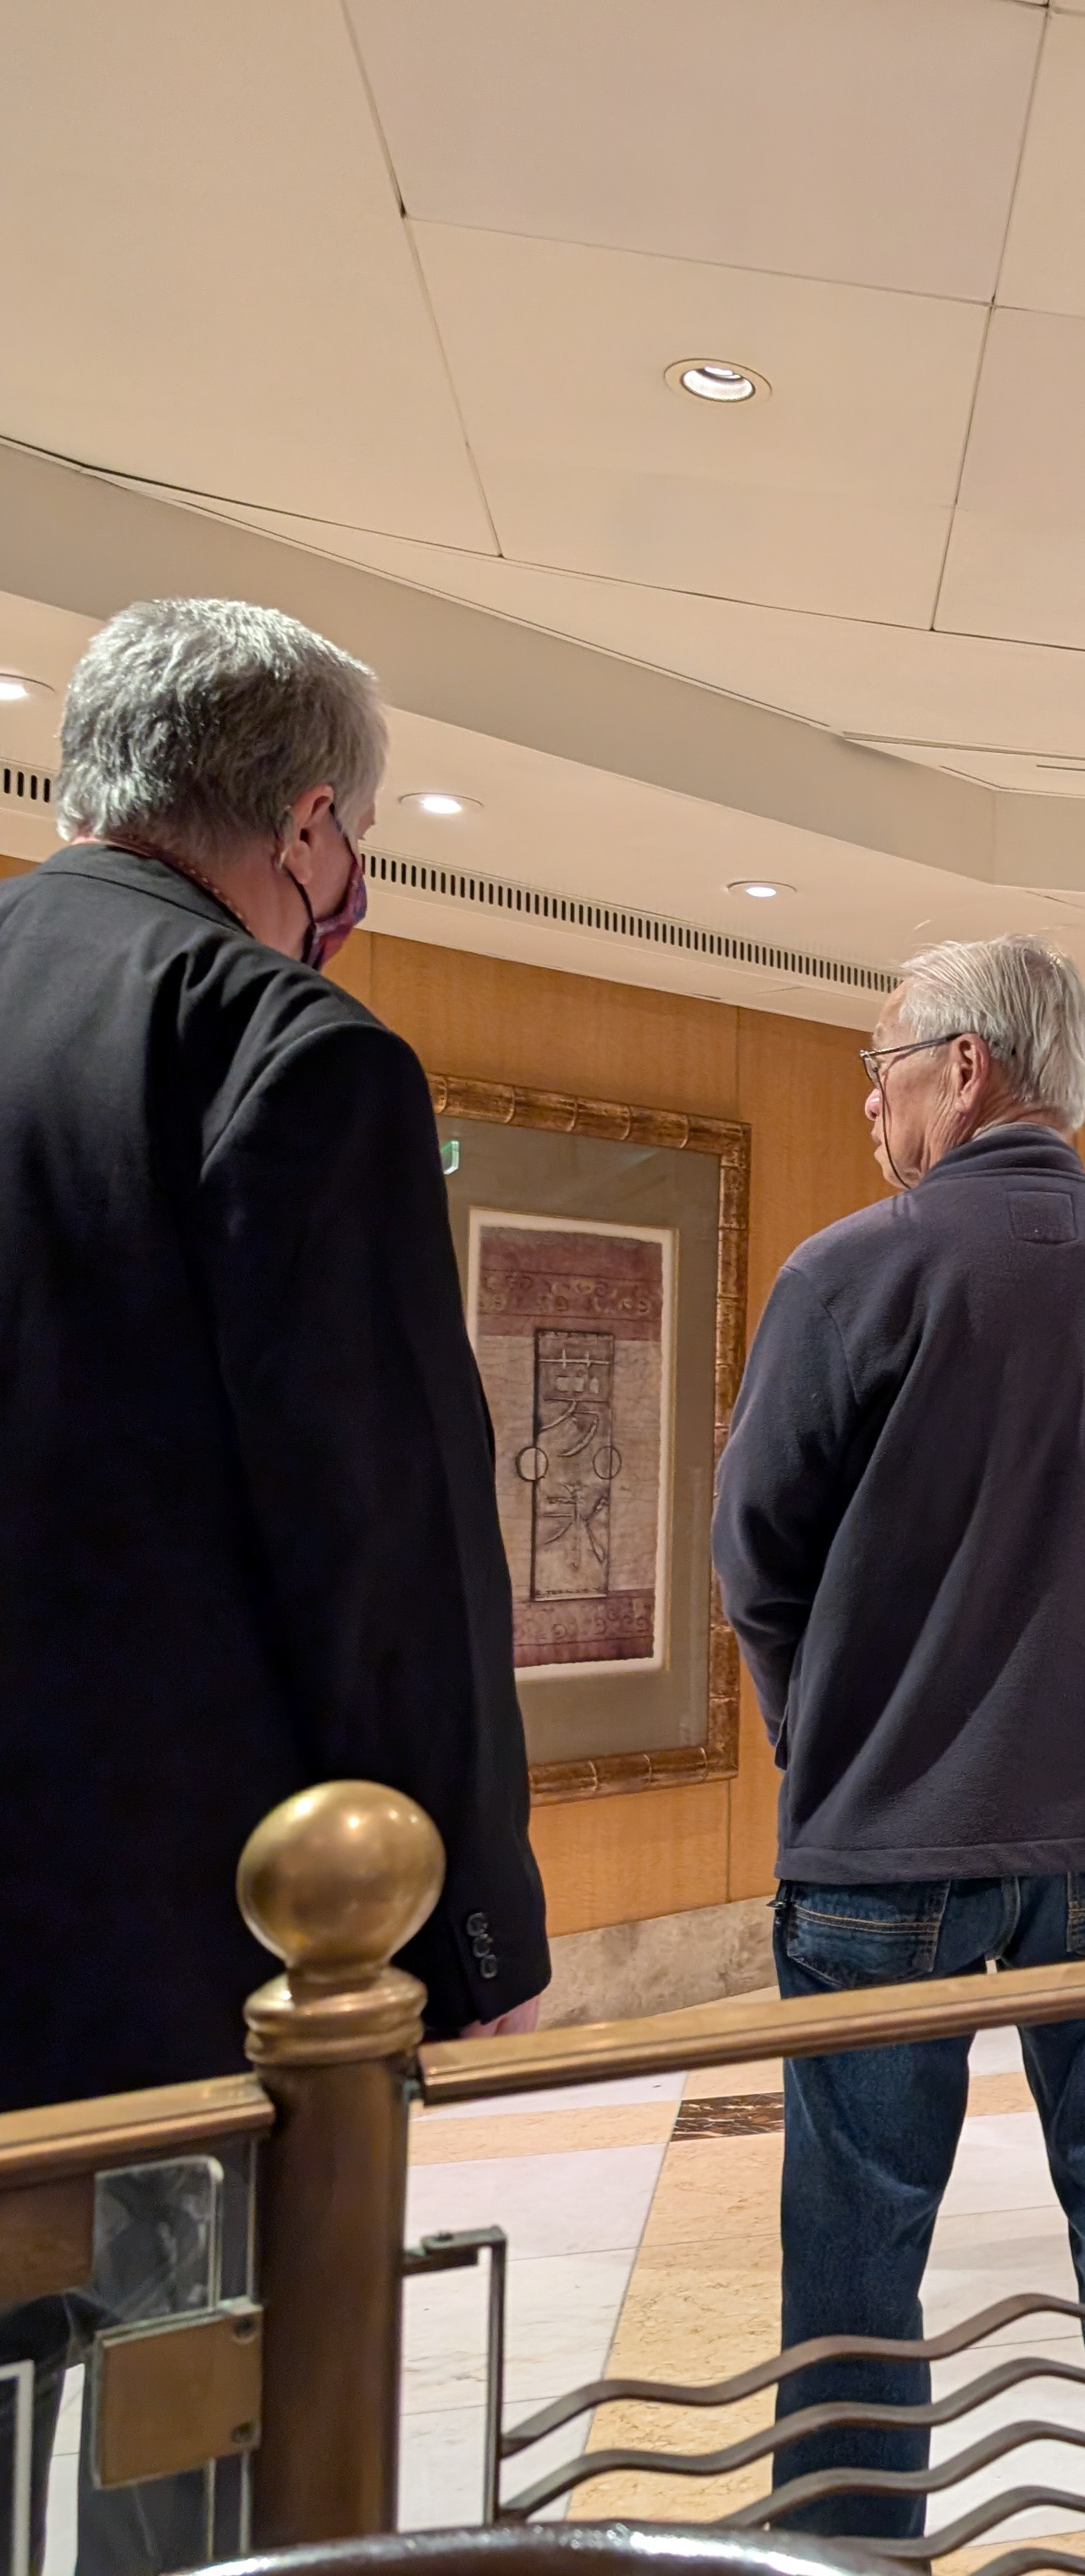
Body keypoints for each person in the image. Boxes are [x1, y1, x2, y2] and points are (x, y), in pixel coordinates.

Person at [0, 598, 550, 2575]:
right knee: (189, 2457)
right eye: (362, 837)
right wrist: (463, 1919)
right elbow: (382, 1523)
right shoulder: (283, 1045)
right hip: (178, 1938)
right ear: (309, 823)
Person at [712, 934, 1085, 2566]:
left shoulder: (844, 1275)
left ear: (963, 1066)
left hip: (885, 1845)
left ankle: (851, 2556)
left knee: (853, 2261)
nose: (869, 1103)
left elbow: (754, 1555)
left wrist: (824, 1723)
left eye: (879, 1066)